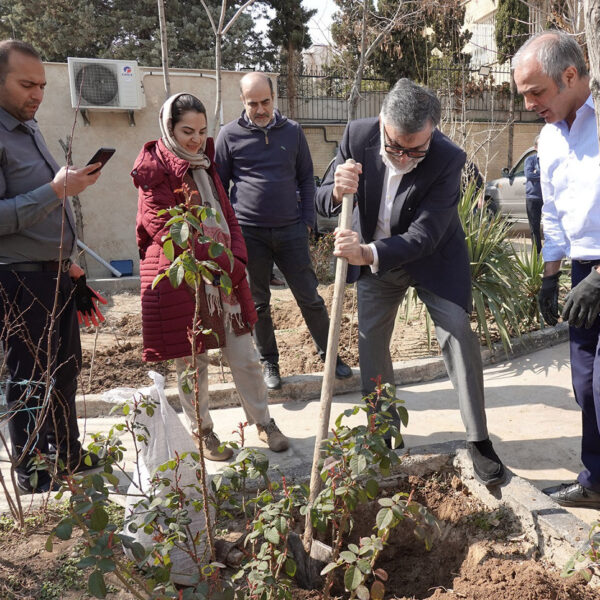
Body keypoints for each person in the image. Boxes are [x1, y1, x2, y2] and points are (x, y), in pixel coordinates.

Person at [315, 78, 506, 487]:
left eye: (414, 149)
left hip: (433, 259)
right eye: (395, 147)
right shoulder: (356, 136)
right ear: (382, 122)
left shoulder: (448, 158)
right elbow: (317, 200)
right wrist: (336, 190)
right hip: (379, 265)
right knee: (371, 342)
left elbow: (425, 236)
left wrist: (367, 253)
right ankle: (383, 434)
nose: (403, 157)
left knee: (457, 333)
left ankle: (479, 439)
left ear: (433, 131)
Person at [132, 93, 289, 461]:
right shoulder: (153, 169)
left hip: (224, 279)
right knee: (192, 361)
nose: (195, 139)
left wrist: (236, 259)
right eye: (187, 130)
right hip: (181, 277)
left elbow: (228, 216)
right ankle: (202, 432)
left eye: (202, 131)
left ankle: (264, 423)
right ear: (169, 128)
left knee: (244, 356)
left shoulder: (205, 163)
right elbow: (166, 231)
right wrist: (219, 262)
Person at [0, 40, 103, 493]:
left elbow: (48, 211)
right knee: (27, 376)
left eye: (41, 84)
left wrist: (71, 260)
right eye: (26, 84)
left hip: (55, 273)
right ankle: (30, 470)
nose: (37, 93)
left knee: (64, 368)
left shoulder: (29, 128)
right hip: (19, 280)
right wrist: (56, 190)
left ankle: (66, 453)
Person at [214, 72, 352, 390]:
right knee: (258, 303)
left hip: (291, 230)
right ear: (242, 102)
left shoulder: (292, 132)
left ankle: (330, 356)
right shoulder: (228, 135)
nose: (260, 109)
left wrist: (307, 222)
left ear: (273, 98)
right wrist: (230, 231)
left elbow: (307, 178)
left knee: (310, 297)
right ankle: (269, 364)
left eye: (265, 101)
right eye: (253, 103)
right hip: (249, 233)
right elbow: (220, 187)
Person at [514, 31, 600, 508]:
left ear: (570, 75)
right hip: (583, 272)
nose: (529, 104)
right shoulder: (549, 138)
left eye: (536, 91)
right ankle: (595, 481)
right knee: (585, 385)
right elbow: (552, 213)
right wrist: (550, 277)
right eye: (523, 93)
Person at [524, 137, 543, 253]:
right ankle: (537, 254)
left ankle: (552, 255)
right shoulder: (530, 160)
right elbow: (529, 175)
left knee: (552, 228)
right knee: (534, 227)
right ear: (536, 147)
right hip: (533, 198)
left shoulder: (551, 160)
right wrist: (544, 174)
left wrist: (537, 173)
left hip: (548, 198)